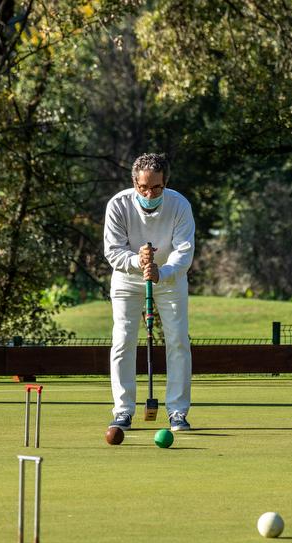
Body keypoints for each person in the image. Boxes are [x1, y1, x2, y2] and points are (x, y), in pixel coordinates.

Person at [103, 153, 195, 431]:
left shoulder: (179, 205)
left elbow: (184, 251)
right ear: (134, 182)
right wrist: (138, 261)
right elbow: (112, 251)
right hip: (127, 279)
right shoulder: (118, 204)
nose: (149, 192)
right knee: (123, 340)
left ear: (165, 183)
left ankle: (177, 411)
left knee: (178, 340)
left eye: (156, 187)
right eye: (143, 187)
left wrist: (161, 272)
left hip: (169, 278)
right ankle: (123, 410)